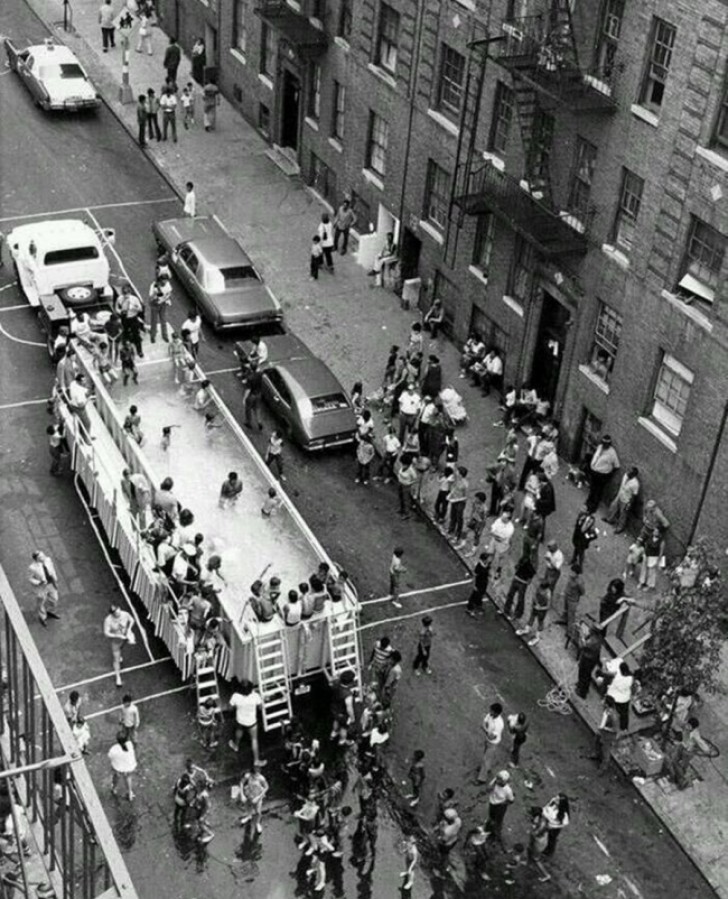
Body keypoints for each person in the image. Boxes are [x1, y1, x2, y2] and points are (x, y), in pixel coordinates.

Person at [229, 680, 266, 767]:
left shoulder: (235, 696)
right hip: (251, 721)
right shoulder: (255, 696)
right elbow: (260, 708)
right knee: (254, 739)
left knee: (239, 731)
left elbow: (230, 708)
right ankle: (256, 760)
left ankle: (235, 746)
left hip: (240, 720)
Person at [103, 603, 135, 687]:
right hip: (116, 641)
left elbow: (132, 620)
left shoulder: (125, 614)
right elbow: (106, 633)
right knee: (116, 658)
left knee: (122, 647)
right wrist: (117, 635)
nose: (118, 613)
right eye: (116, 613)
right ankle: (118, 677)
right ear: (112, 614)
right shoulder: (108, 620)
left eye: (119, 611)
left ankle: (120, 654)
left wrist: (129, 629)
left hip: (125, 637)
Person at [586, 435, 620, 513]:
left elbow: (617, 466)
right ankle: (588, 502)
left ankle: (593, 507)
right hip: (594, 472)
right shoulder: (600, 447)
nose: (603, 445)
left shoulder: (612, 453)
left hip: (602, 475)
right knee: (592, 489)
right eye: (603, 443)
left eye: (605, 444)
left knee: (598, 491)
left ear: (609, 444)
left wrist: (609, 475)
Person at [28, 550, 60, 626]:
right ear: (36, 559)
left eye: (43, 555)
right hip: (41, 587)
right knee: (41, 603)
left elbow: (52, 569)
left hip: (51, 584)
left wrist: (55, 579)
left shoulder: (48, 560)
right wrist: (39, 582)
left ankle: (50, 611)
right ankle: (43, 617)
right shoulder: (32, 568)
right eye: (41, 557)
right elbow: (30, 578)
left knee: (54, 599)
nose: (43, 557)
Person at [516, 579, 552, 646]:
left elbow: (548, 606)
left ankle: (537, 637)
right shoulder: (539, 588)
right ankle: (527, 629)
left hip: (542, 610)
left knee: (540, 622)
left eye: (542, 589)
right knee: (531, 617)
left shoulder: (548, 594)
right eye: (540, 588)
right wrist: (535, 603)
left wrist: (540, 608)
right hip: (536, 606)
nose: (541, 590)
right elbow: (534, 595)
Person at [604, 466, 640, 533]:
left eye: (630, 472)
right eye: (628, 470)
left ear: (634, 475)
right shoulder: (626, 475)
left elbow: (634, 495)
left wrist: (629, 504)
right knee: (613, 507)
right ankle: (609, 519)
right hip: (620, 495)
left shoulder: (636, 484)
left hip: (626, 500)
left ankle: (620, 528)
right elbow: (621, 484)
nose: (628, 472)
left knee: (623, 515)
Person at [485, 770, 514, 848]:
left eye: (500, 780)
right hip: (492, 803)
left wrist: (503, 804)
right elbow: (487, 789)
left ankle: (496, 836)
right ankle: (489, 831)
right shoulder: (495, 782)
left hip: (500, 807)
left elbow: (511, 800)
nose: (498, 781)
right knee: (491, 817)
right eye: (497, 779)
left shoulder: (508, 790)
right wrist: (494, 783)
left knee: (497, 822)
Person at [503, 554, 536, 622]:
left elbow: (531, 575)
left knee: (518, 598)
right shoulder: (524, 563)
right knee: (515, 596)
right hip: (519, 581)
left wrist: (527, 581)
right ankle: (512, 611)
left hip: (520, 581)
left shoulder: (528, 566)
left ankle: (514, 612)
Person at [591, 695, 619, 774]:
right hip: (602, 731)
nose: (602, 701)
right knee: (597, 741)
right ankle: (596, 754)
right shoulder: (606, 710)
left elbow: (615, 729)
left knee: (606, 751)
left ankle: (603, 768)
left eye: (604, 700)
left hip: (608, 735)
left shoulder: (614, 716)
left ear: (606, 704)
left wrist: (605, 728)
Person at [477, 703, 504, 783]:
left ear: (496, 713)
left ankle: (482, 779)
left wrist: (485, 730)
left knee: (486, 759)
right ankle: (486, 768)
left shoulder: (499, 724)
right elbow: (484, 722)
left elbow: (492, 737)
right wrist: (487, 731)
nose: (490, 712)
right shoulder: (490, 715)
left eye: (492, 711)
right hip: (487, 740)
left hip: (493, 743)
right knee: (486, 755)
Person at [575, 625, 603, 699]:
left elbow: (582, 645)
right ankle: (581, 685)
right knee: (586, 674)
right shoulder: (598, 638)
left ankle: (582, 692)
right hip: (592, 659)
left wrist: (580, 634)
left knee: (584, 674)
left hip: (588, 659)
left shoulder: (593, 641)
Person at [238, 769, 269, 835]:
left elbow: (266, 787)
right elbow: (241, 782)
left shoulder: (261, 778)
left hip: (257, 796)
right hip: (249, 794)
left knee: (258, 811)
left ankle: (257, 823)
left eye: (257, 774)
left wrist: (258, 797)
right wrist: (242, 794)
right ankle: (249, 816)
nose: (255, 776)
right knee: (248, 807)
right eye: (253, 774)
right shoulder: (248, 775)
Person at [527, 807, 552, 882]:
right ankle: (529, 863)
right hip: (537, 840)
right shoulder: (542, 819)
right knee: (529, 849)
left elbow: (535, 833)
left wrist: (532, 830)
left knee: (536, 859)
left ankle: (546, 875)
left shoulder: (540, 824)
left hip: (539, 842)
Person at [108, 735, 136, 801]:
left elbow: (110, 756)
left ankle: (114, 788)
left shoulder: (114, 748)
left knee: (116, 777)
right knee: (128, 778)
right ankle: (129, 792)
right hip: (129, 766)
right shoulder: (130, 744)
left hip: (118, 767)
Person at [435, 808, 462, 874]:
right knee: (446, 853)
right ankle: (445, 863)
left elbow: (443, 840)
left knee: (444, 855)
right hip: (454, 840)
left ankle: (443, 867)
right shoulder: (458, 821)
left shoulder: (447, 831)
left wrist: (438, 838)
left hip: (446, 844)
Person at [466, 550, 492, 617]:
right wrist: (474, 585)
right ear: (484, 559)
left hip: (484, 583)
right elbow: (474, 576)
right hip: (478, 583)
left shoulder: (487, 565)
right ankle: (470, 608)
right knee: (474, 596)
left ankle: (478, 605)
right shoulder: (479, 567)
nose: (489, 559)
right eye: (488, 558)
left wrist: (489, 575)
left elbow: (488, 571)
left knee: (481, 595)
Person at [396, 454, 418, 519]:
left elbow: (415, 479)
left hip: (406, 486)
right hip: (400, 483)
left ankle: (407, 513)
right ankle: (401, 509)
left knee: (406, 499)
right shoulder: (402, 467)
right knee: (400, 497)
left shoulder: (411, 471)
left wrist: (409, 483)